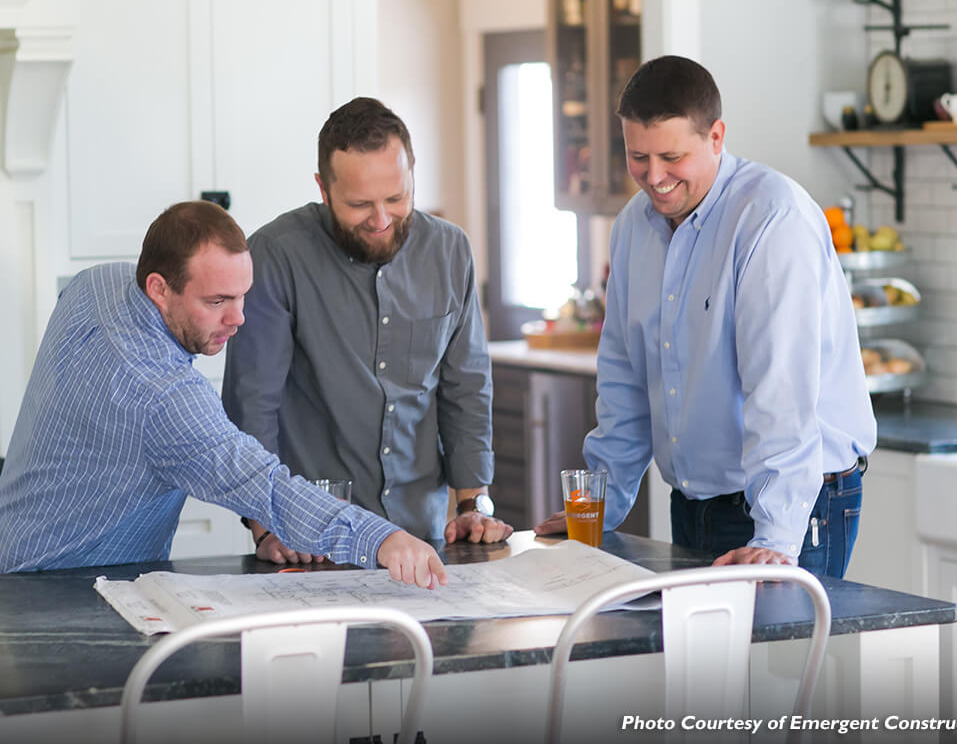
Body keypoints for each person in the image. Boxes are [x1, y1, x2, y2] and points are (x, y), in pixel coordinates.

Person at [0, 200, 447, 590]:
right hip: (66, 599)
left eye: (242, 295)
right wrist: (385, 540)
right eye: (216, 302)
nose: (238, 318)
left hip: (0, 568)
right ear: (159, 289)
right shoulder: (163, 396)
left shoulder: (94, 285)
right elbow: (268, 487)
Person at [535, 56, 876, 578]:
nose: (654, 177)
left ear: (716, 136)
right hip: (694, 503)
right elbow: (625, 377)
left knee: (778, 661)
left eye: (672, 156)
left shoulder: (771, 220)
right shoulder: (632, 229)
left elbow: (779, 390)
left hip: (798, 502)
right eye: (638, 156)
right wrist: (600, 506)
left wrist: (777, 536)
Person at [223, 97, 512, 563]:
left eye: (396, 199)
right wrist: (265, 529)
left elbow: (467, 387)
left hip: (426, 540)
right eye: (359, 204)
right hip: (314, 542)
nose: (380, 220)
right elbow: (252, 406)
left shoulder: (450, 251)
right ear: (323, 188)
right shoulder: (275, 256)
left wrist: (471, 503)